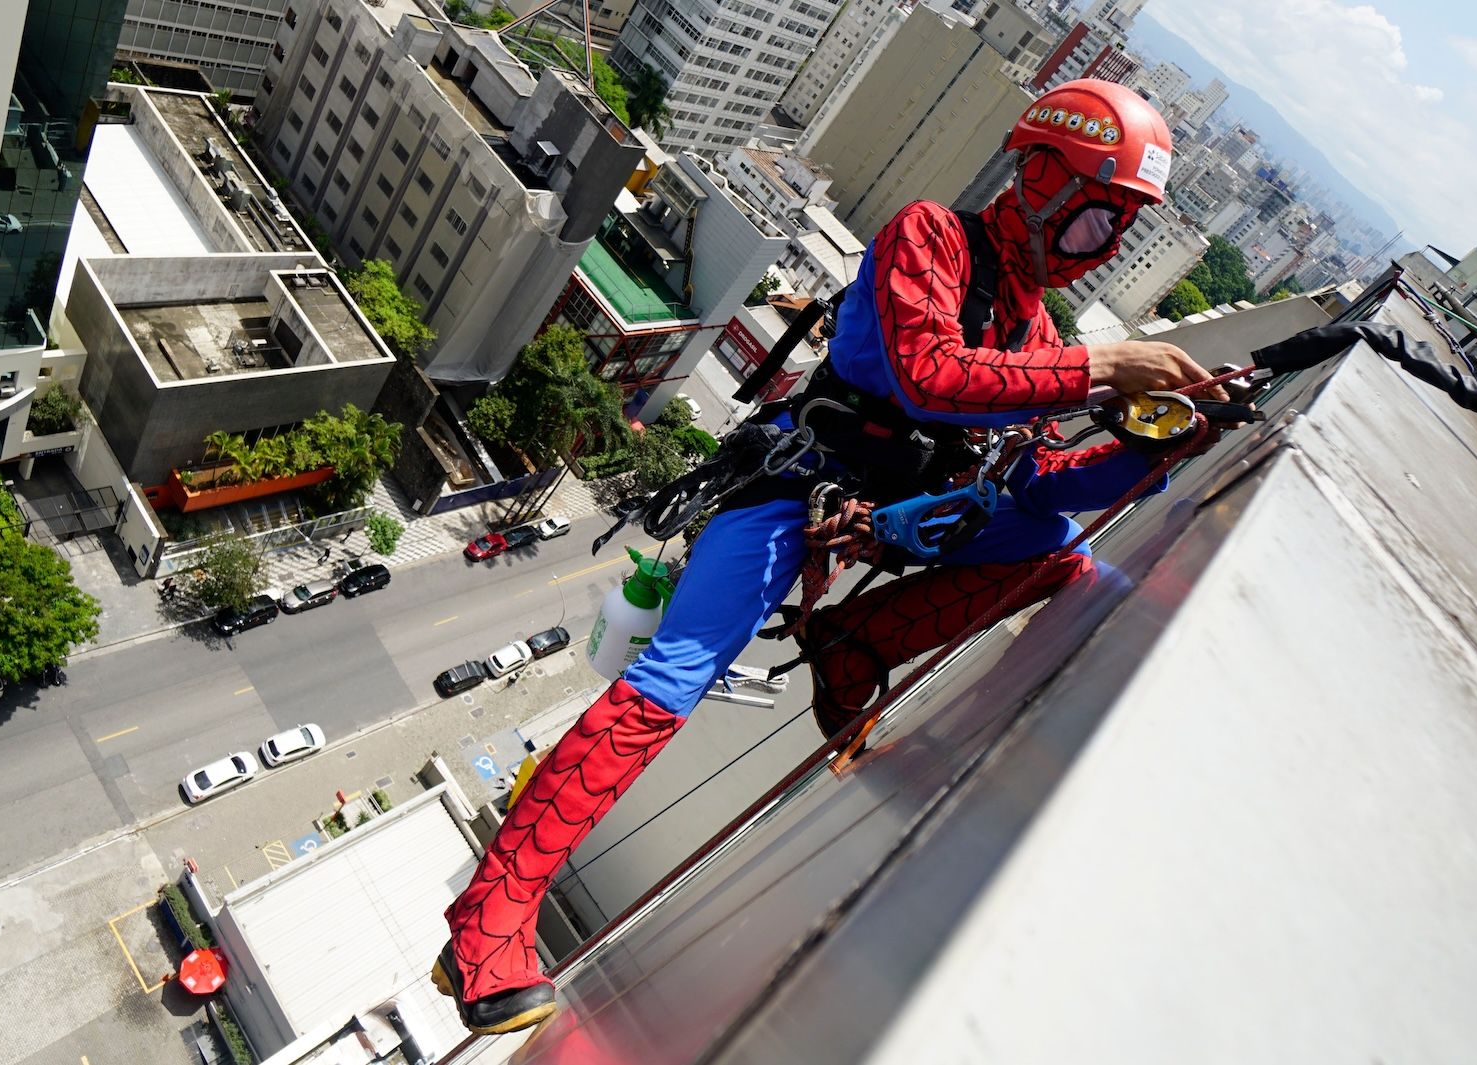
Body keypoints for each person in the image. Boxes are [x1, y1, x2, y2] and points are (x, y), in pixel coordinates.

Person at [432, 80, 1220, 1034]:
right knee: (676, 675)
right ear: (1043, 179)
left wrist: (1156, 443)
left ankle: (854, 646)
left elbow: (1046, 480)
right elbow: (932, 375)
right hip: (796, 487)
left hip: (900, 511)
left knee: (1051, 544)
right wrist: (1105, 368)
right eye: (1103, 220)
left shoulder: (1033, 329)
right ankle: (490, 917)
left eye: (1118, 232)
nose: (1106, 248)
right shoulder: (930, 238)